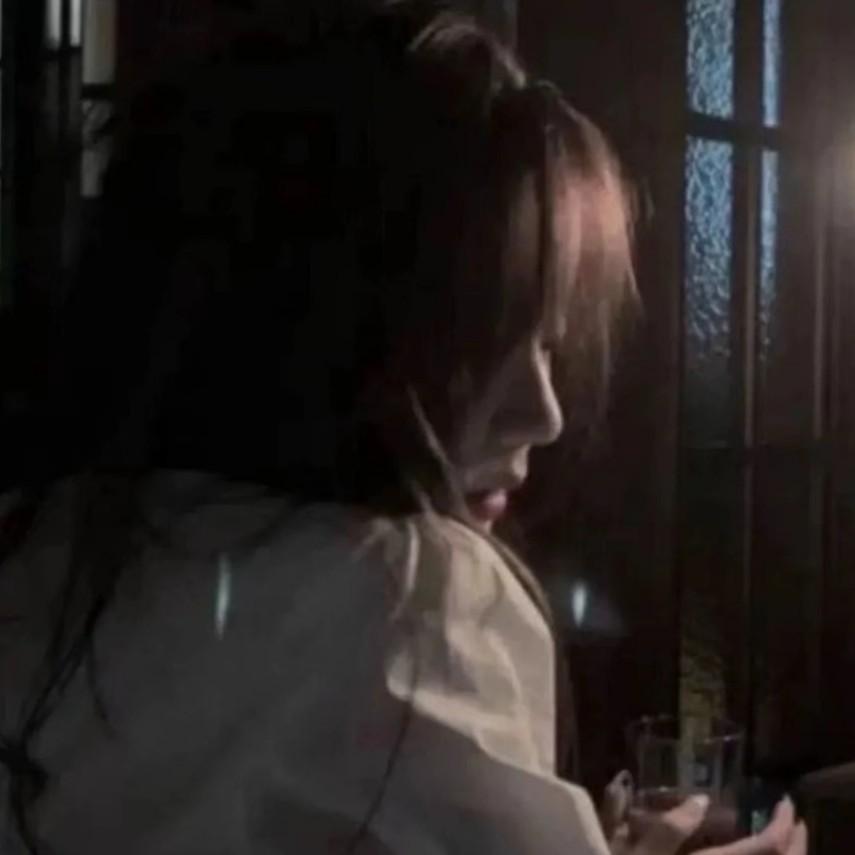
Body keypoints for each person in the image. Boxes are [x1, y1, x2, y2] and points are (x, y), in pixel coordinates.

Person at [0, 3, 806, 854]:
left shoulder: (34, 545)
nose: (544, 413)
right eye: (478, 344)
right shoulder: (406, 588)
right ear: (321, 327)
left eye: (548, 346)